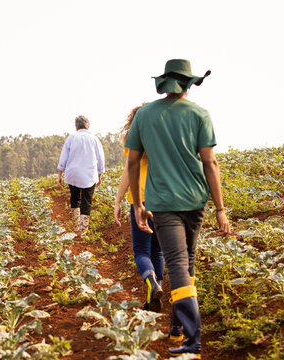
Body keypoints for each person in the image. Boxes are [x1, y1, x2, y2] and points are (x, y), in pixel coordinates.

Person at [125, 59, 231, 358]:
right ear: (188, 84)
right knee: (189, 261)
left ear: (164, 84)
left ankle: (193, 341)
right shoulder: (200, 114)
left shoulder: (144, 115)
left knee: (177, 265)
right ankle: (177, 328)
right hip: (196, 200)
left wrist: (138, 204)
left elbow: (133, 162)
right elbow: (209, 162)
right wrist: (220, 208)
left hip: (163, 204)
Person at [113, 104, 165, 313]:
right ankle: (154, 297)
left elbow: (129, 170)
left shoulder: (134, 138)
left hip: (140, 200)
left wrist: (118, 201)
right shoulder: (164, 137)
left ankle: (152, 283)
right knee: (158, 251)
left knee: (142, 251)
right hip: (163, 200)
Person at [57, 115, 105, 237]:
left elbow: (63, 158)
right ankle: (83, 231)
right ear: (87, 126)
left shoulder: (71, 138)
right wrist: (99, 175)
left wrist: (59, 175)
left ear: (76, 126)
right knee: (86, 201)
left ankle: (75, 226)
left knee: (75, 198)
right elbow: (100, 159)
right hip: (89, 174)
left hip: (73, 173)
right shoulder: (94, 139)